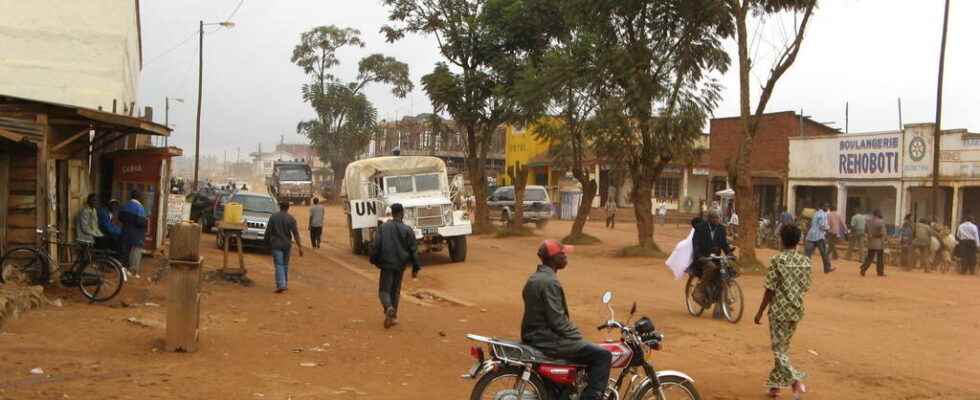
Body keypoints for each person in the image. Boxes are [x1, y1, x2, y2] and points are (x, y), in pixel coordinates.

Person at [522, 239, 611, 400]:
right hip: (547, 340)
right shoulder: (550, 282)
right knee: (603, 355)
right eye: (563, 254)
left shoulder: (535, 278)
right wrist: (577, 337)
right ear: (553, 258)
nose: (566, 257)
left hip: (535, 335)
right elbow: (558, 321)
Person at [754, 223, 811, 399]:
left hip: (779, 311)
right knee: (783, 349)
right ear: (798, 241)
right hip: (796, 310)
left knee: (779, 350)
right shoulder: (805, 261)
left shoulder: (777, 260)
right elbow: (805, 286)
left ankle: (795, 381)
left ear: (781, 240)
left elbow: (769, 289)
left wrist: (760, 311)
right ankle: (774, 387)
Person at [370, 203, 421, 329]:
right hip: (400, 265)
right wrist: (415, 268)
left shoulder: (383, 227)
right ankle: (393, 317)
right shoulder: (407, 230)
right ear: (402, 213)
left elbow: (376, 246)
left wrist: (374, 260)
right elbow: (414, 250)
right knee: (396, 291)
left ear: (392, 213)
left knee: (384, 291)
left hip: (386, 264)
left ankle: (388, 308)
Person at [690, 210, 733, 307]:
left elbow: (724, 245)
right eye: (714, 218)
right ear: (709, 219)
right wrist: (700, 256)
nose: (717, 220)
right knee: (711, 267)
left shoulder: (721, 229)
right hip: (702, 258)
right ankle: (699, 289)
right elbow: (695, 244)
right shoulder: (700, 228)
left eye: (718, 218)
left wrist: (730, 253)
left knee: (730, 269)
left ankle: (723, 296)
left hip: (716, 257)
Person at [264, 201, 304, 293]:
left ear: (280, 206)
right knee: (285, 264)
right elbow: (296, 234)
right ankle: (284, 284)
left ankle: (281, 285)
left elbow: (268, 231)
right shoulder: (291, 218)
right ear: (288, 208)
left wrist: (265, 243)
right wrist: (300, 247)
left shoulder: (273, 217)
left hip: (276, 244)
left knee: (279, 264)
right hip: (287, 245)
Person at [118, 190, 148, 275]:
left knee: (125, 251)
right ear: (139, 197)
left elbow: (120, 217)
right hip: (136, 235)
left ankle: (124, 270)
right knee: (135, 253)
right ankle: (133, 271)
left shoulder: (125, 205)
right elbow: (140, 222)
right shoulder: (140, 207)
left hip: (125, 232)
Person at [804, 203, 834, 274]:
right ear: (822, 207)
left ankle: (805, 269)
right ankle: (827, 268)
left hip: (810, 235)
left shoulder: (816, 213)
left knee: (807, 253)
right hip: (819, 236)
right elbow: (822, 225)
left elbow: (812, 223)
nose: (827, 208)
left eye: (828, 206)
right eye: (826, 206)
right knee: (824, 253)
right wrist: (829, 228)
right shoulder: (823, 214)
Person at [859, 209, 887, 277]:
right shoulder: (881, 221)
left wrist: (869, 236)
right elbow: (883, 233)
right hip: (879, 242)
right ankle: (880, 272)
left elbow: (865, 231)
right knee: (880, 258)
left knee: (869, 257)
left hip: (870, 241)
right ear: (878, 214)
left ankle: (863, 268)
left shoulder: (868, 221)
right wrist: (884, 240)